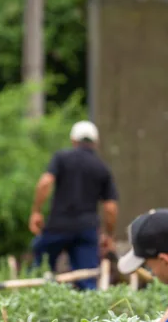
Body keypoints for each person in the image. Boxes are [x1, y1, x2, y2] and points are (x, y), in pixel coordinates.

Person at [28, 120, 119, 290]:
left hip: (58, 225)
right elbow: (110, 207)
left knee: (40, 272)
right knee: (88, 280)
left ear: (73, 140)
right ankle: (90, 314)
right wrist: (109, 235)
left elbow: (45, 182)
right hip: (87, 229)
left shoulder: (62, 158)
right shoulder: (102, 168)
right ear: (96, 143)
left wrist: (36, 212)